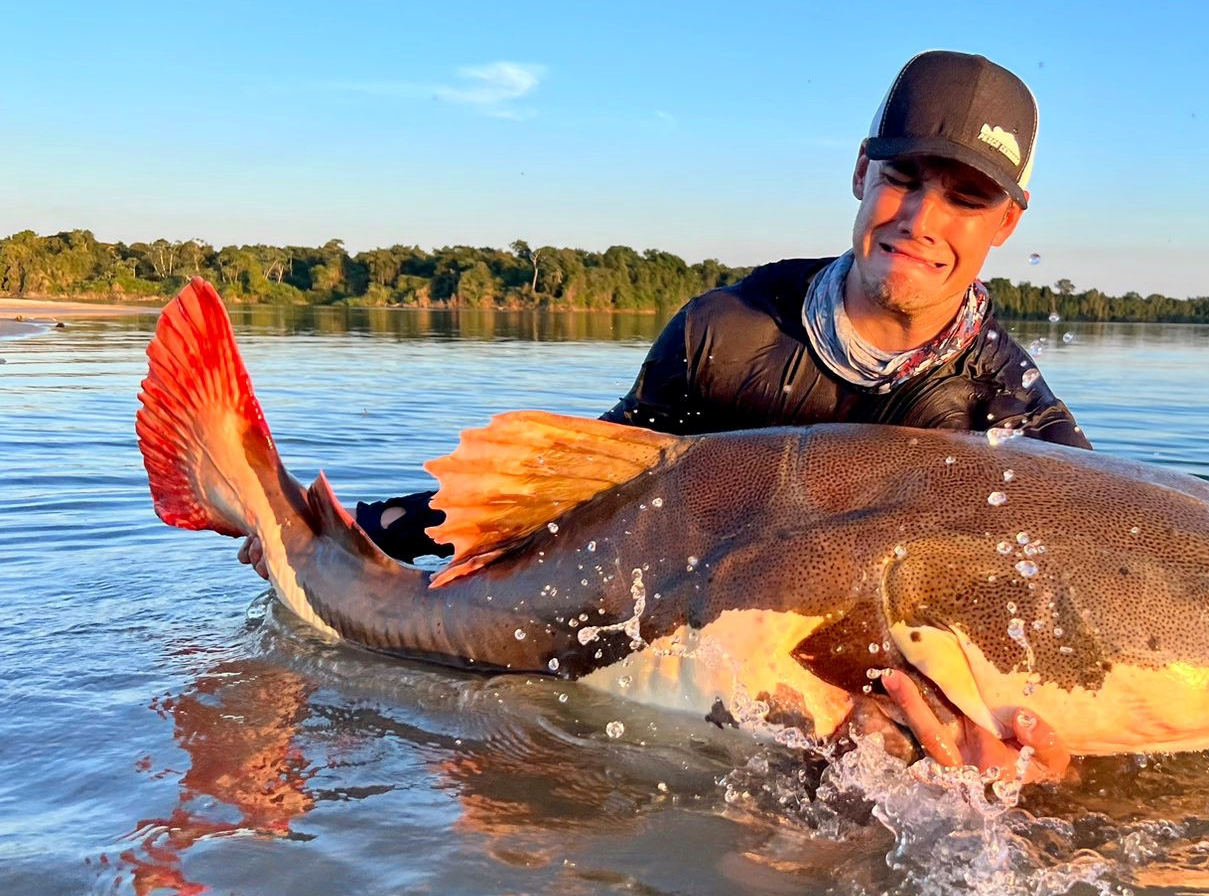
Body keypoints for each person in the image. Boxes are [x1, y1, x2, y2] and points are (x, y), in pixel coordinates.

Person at [240, 50, 1090, 779]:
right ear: (863, 173)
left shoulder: (1021, 429)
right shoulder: (727, 332)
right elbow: (587, 489)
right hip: (629, 662)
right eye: (903, 179)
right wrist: (361, 529)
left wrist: (1053, 765)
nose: (919, 220)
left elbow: (1070, 644)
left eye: (965, 199)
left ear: (1009, 222)